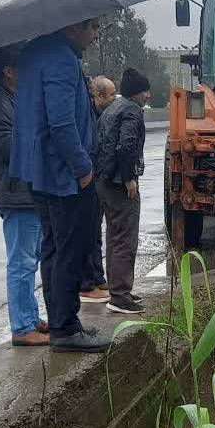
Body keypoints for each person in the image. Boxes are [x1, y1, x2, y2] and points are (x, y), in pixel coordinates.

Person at [10, 18, 110, 353]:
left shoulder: (35, 52)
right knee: (71, 250)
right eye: (92, 26)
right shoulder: (61, 58)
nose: (96, 34)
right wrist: (82, 168)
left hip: (41, 172)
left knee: (53, 250)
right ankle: (66, 328)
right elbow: (62, 121)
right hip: (63, 176)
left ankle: (61, 324)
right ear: (72, 26)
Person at [0, 44, 49, 347]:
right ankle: (21, 327)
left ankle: (30, 317)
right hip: (14, 194)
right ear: (8, 72)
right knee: (21, 261)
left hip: (24, 193)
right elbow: (7, 149)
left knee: (30, 258)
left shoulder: (10, 100)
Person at [95, 68, 150, 314]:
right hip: (119, 185)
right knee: (125, 240)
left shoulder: (112, 108)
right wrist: (129, 178)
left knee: (113, 237)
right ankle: (120, 297)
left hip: (104, 182)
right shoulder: (131, 110)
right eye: (145, 91)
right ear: (137, 93)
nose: (148, 95)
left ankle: (118, 290)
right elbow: (126, 146)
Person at [78, 76, 116, 303]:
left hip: (96, 180)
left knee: (95, 233)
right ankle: (86, 283)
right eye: (111, 95)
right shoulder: (87, 115)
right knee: (87, 233)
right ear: (98, 95)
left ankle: (97, 277)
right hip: (87, 180)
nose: (114, 99)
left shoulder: (100, 114)